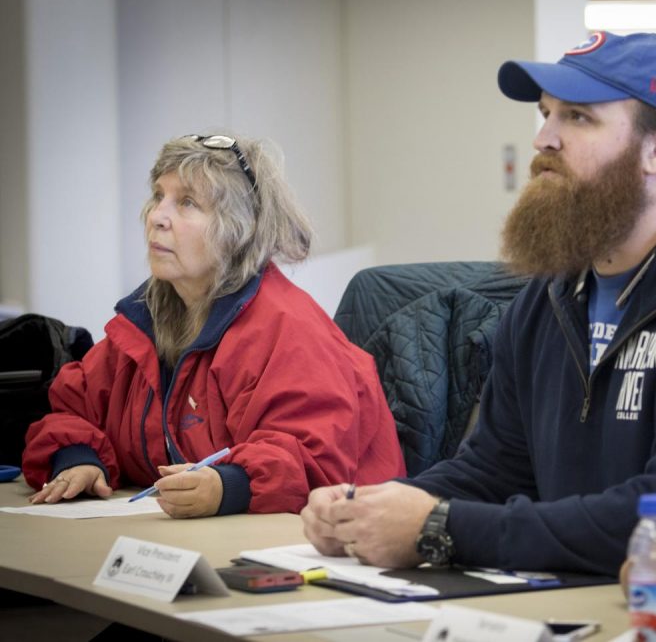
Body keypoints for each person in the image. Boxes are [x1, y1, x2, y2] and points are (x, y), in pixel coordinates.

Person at [302, 32, 656, 623]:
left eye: (577, 117)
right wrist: (374, 506)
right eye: (545, 113)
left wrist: (440, 528)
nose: (543, 138)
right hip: (603, 598)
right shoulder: (552, 292)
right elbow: (497, 466)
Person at [22, 133, 405, 517]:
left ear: (238, 229)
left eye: (187, 203)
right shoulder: (141, 322)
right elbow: (74, 407)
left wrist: (228, 486)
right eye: (159, 196)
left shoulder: (290, 331)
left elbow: (312, 460)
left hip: (332, 542)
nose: (157, 216)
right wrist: (78, 459)